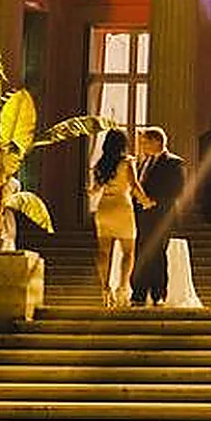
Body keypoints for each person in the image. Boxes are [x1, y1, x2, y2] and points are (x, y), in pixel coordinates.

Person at [131, 126, 187, 308]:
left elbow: (177, 188)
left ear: (156, 141)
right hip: (142, 215)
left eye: (144, 142)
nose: (141, 146)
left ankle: (158, 293)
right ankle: (138, 293)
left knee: (157, 254)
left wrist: (153, 201)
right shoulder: (143, 163)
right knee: (141, 254)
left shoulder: (174, 163)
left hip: (161, 215)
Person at [87, 130, 142, 308]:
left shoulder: (101, 164)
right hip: (122, 206)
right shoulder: (127, 162)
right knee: (128, 252)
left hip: (104, 208)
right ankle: (122, 287)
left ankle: (104, 288)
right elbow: (134, 185)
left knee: (104, 252)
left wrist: (90, 191)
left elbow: (95, 189)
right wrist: (145, 200)